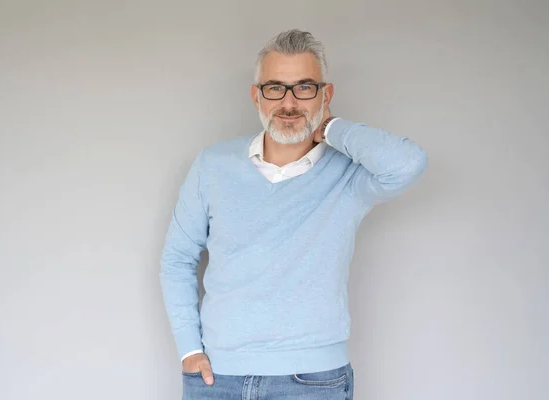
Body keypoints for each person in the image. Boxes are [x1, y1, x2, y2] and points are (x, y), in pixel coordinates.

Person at [160, 29, 428, 400]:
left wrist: (332, 128)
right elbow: (177, 258)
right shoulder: (212, 165)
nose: (288, 102)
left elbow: (408, 163)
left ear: (325, 94)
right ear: (256, 95)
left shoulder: (348, 175)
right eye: (275, 88)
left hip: (313, 382)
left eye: (304, 87)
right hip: (217, 379)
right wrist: (189, 350)